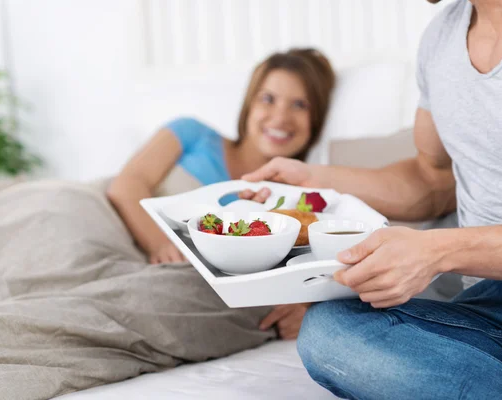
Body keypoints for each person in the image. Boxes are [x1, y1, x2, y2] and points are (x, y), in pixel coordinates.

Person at [242, 0, 502, 398]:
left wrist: (437, 251)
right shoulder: (441, 38)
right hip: (488, 304)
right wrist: (312, 180)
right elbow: (430, 180)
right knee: (329, 331)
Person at [108, 48, 335, 340]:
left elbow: (309, 272)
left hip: (164, 282)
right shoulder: (191, 133)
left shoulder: (299, 203)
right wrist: (160, 243)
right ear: (249, 104)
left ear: (316, 119)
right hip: (109, 220)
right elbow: (125, 186)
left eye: (300, 105)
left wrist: (305, 305)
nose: (280, 118)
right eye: (268, 99)